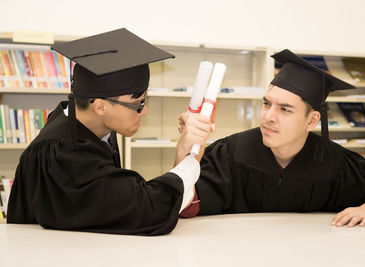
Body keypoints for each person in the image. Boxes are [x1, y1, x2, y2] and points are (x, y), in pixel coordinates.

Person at [7, 28, 213, 235]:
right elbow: (147, 209)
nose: (145, 111)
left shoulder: (94, 126)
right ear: (100, 106)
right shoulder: (66, 155)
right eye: (138, 104)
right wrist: (189, 159)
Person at [180, 49, 365, 227]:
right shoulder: (231, 153)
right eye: (266, 104)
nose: (268, 117)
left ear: (312, 121)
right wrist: (186, 150)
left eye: (285, 109)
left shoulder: (336, 163)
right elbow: (183, 203)